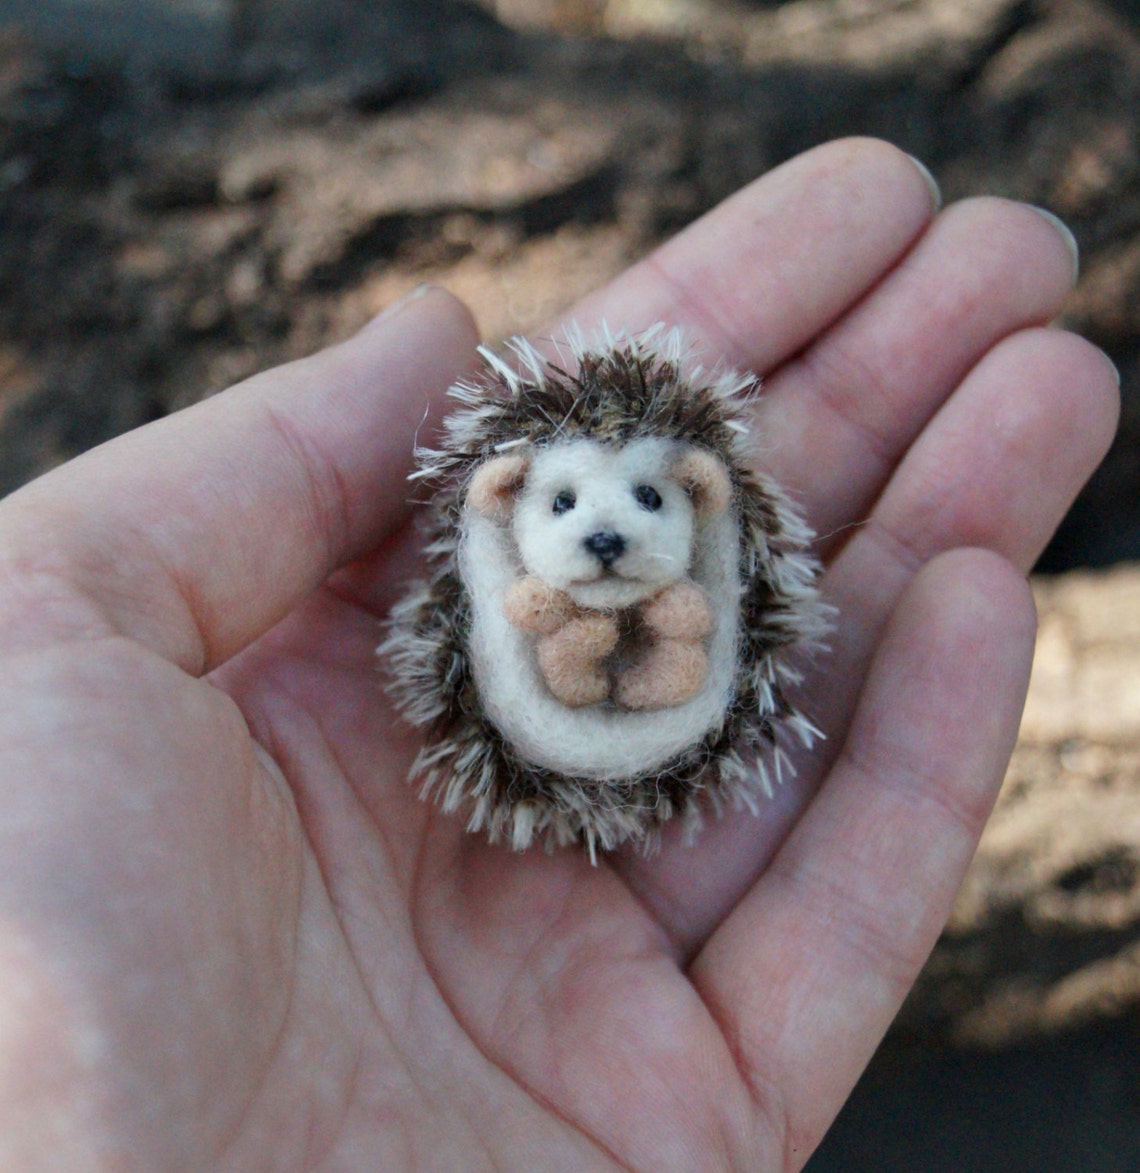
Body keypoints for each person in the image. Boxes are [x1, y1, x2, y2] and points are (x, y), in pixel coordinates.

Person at [0, 137, 1119, 1170]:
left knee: (699, 652)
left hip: (667, 681)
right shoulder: (511, 572)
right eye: (569, 500)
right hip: (553, 673)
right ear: (506, 505)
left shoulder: (708, 560)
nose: (605, 525)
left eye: (647, 498)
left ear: (695, 500)